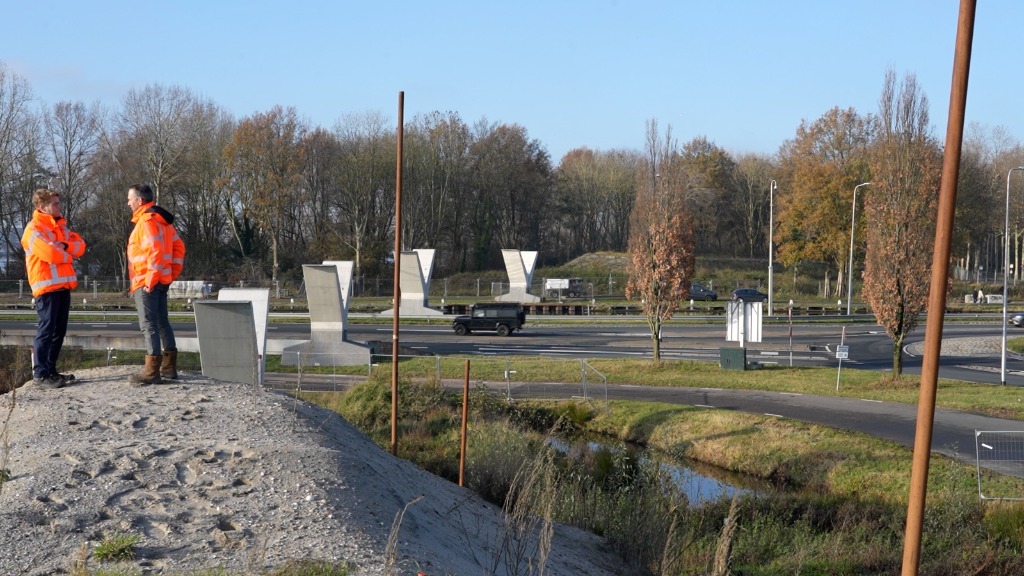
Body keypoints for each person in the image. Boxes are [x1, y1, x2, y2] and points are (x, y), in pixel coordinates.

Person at [21, 188, 86, 389]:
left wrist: (63, 246)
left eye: (59, 202)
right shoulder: (33, 229)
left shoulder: (60, 227)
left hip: (62, 286)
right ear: (42, 207)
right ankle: (40, 374)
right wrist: (68, 254)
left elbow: (80, 246)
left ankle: (50, 371)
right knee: (46, 330)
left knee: (59, 331)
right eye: (55, 204)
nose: (59, 206)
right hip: (46, 287)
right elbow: (50, 254)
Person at [126, 184, 185, 385]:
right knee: (162, 322)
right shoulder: (164, 222)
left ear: (139, 200)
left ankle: (152, 372)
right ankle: (169, 368)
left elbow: (155, 250)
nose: (128, 203)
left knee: (148, 324)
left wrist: (150, 279)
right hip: (161, 279)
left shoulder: (146, 221)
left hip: (146, 281)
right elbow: (179, 247)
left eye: (130, 199)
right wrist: (171, 273)